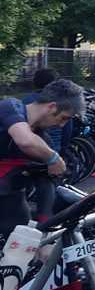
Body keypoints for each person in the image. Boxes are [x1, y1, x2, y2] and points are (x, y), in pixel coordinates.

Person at [0, 80, 83, 237]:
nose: (61, 125)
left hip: (12, 208)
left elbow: (45, 185)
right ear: (51, 107)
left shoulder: (45, 144)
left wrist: (47, 232)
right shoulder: (10, 106)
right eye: (64, 118)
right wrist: (54, 158)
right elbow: (24, 140)